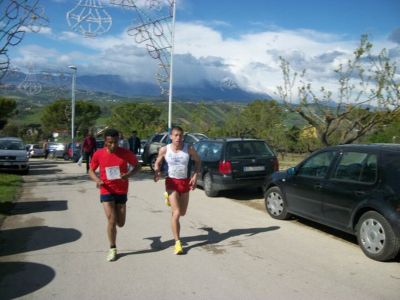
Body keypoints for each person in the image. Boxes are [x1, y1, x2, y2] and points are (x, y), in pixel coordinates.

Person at [88, 128, 141, 262]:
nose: (113, 145)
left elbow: (138, 166)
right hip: (106, 190)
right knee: (111, 220)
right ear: (105, 142)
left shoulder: (125, 153)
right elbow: (91, 171)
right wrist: (98, 180)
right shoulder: (98, 154)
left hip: (121, 191)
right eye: (110, 142)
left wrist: (128, 175)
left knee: (120, 223)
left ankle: (115, 227)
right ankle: (112, 248)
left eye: (116, 142)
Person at [153, 126, 201, 255]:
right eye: (176, 135)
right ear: (171, 136)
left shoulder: (189, 148)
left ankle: (170, 200)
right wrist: (157, 171)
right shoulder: (165, 149)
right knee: (177, 212)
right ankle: (178, 243)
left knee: (183, 212)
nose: (178, 138)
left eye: (180, 135)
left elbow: (198, 161)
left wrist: (195, 175)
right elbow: (157, 162)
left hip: (184, 182)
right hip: (171, 182)